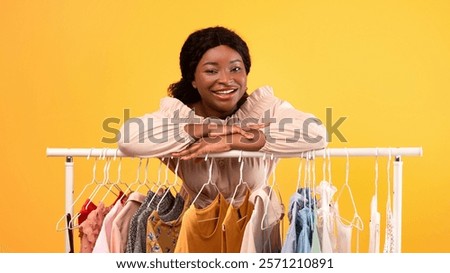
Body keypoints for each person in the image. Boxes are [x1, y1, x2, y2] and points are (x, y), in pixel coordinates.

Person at [118, 26, 327, 209]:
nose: (226, 80)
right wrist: (208, 129)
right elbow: (128, 140)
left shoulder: (264, 109)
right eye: (211, 71)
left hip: (254, 231)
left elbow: (317, 134)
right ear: (192, 79)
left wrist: (229, 141)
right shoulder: (177, 115)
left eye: (235, 69)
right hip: (197, 232)